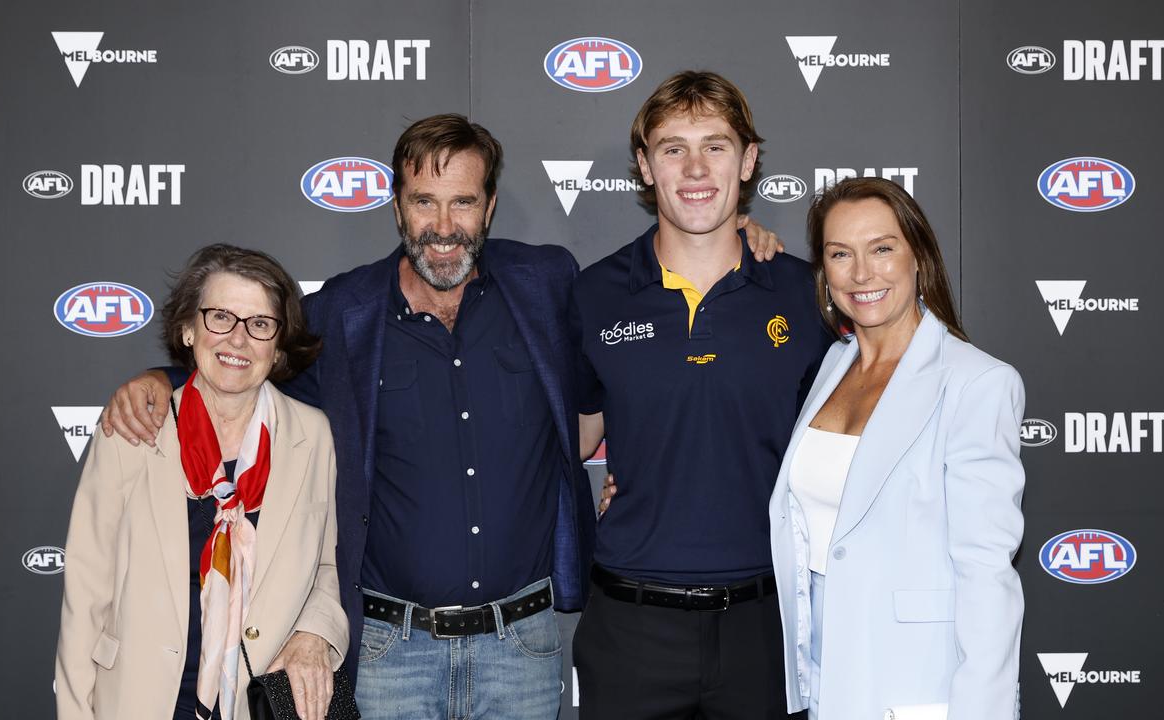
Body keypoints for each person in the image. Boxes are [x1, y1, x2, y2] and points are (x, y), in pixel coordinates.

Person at [100, 114, 785, 719]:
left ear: (488, 208)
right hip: (390, 649)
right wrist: (164, 379)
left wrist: (741, 235)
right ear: (398, 207)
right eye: (424, 202)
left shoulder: (546, 285)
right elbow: (252, 375)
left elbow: (630, 350)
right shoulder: (346, 311)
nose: (444, 226)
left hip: (524, 644)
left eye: (463, 201)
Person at [570, 71, 832, 719]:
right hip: (629, 627)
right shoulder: (593, 293)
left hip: (765, 626)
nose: (694, 167)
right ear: (644, 165)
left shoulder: (806, 294)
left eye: (715, 146)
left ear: (747, 161)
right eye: (672, 147)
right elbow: (566, 437)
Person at [768, 177, 1025, 719]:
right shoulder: (833, 367)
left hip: (915, 685)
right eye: (841, 254)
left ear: (918, 258)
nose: (862, 274)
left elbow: (986, 574)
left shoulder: (976, 383)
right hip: (825, 672)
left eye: (882, 249)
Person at [56, 244, 348, 720]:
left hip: (255, 701)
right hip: (139, 698)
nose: (238, 340)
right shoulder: (131, 432)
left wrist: (314, 634)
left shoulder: (313, 436)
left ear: (277, 346)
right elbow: (86, 596)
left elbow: (327, 570)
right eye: (220, 318)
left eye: (259, 324)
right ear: (189, 330)